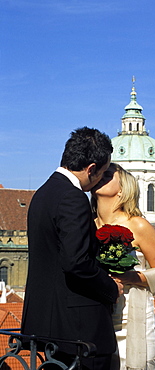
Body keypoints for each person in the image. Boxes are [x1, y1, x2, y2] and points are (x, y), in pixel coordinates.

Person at [21, 127, 123, 370]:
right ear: (91, 169)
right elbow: (75, 262)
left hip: (48, 322)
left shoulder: (43, 193)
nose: (101, 179)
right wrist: (110, 287)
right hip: (78, 328)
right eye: (102, 173)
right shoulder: (72, 197)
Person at [91, 163, 155, 370]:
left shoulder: (138, 224)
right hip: (95, 312)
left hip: (128, 314)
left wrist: (131, 277)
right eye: (99, 172)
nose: (101, 176)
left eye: (108, 174)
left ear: (123, 188)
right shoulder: (87, 223)